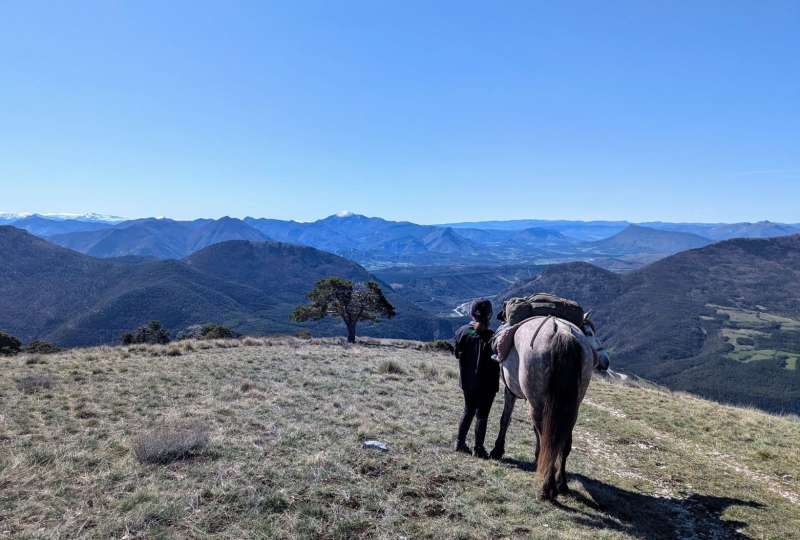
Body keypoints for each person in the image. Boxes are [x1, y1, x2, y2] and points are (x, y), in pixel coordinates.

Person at [453, 299, 499, 458]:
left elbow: (457, 354)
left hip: (467, 382)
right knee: (482, 415)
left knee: (468, 411)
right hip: (487, 384)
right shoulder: (494, 337)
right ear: (490, 316)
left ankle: (460, 443)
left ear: (472, 314)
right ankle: (478, 448)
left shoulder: (461, 332)